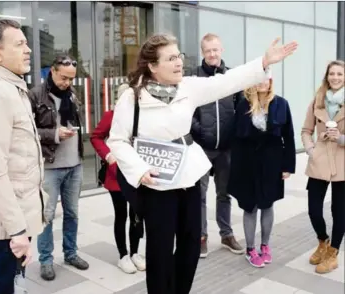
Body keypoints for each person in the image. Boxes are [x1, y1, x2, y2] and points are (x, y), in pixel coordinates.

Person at [106, 33, 297, 294]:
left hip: (188, 175)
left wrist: (263, 62)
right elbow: (117, 141)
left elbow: (227, 81)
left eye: (179, 56)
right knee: (160, 250)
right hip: (155, 181)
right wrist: (139, 171)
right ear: (152, 65)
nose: (178, 63)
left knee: (191, 245)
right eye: (171, 58)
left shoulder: (188, 86)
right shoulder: (131, 97)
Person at [0, 19, 47, 293]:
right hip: (2, 231)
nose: (28, 49)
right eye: (20, 43)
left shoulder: (10, 87)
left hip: (11, 224)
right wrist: (18, 231)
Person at [28, 54, 89, 281]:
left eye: (71, 79)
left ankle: (71, 253)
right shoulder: (35, 95)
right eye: (64, 78)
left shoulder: (73, 94)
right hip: (50, 166)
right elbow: (28, 130)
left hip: (75, 165)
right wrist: (55, 134)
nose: (67, 83)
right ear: (52, 71)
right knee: (47, 215)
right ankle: (45, 260)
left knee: (72, 213)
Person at [227, 78, 296, 268]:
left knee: (267, 204)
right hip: (247, 162)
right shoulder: (244, 104)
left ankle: (265, 246)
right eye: (258, 79)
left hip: (272, 162)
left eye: (266, 79)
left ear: (271, 81)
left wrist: (287, 166)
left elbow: (288, 135)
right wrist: (235, 166)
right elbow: (235, 137)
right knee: (250, 205)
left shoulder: (281, 103)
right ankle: (250, 249)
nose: (262, 83)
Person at [190, 33, 244, 258]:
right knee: (199, 195)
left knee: (224, 194)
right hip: (202, 147)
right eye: (208, 50)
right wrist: (200, 131)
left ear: (221, 50)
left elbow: (241, 109)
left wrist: (234, 137)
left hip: (226, 149)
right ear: (203, 52)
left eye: (215, 50)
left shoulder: (231, 77)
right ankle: (201, 236)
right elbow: (186, 110)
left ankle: (226, 234)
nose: (212, 54)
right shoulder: (194, 77)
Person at [90, 84, 146, 274]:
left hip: (138, 174)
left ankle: (135, 252)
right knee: (121, 215)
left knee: (137, 215)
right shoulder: (111, 116)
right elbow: (96, 137)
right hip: (116, 175)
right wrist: (108, 156)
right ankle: (123, 255)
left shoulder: (142, 117)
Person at [301, 60, 345, 274]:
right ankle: (322, 241)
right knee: (313, 209)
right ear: (327, 76)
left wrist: (341, 138)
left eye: (339, 74)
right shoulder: (317, 100)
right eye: (332, 74)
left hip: (343, 162)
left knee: (340, 211)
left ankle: (333, 252)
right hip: (319, 161)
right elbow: (305, 130)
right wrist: (311, 150)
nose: (335, 77)